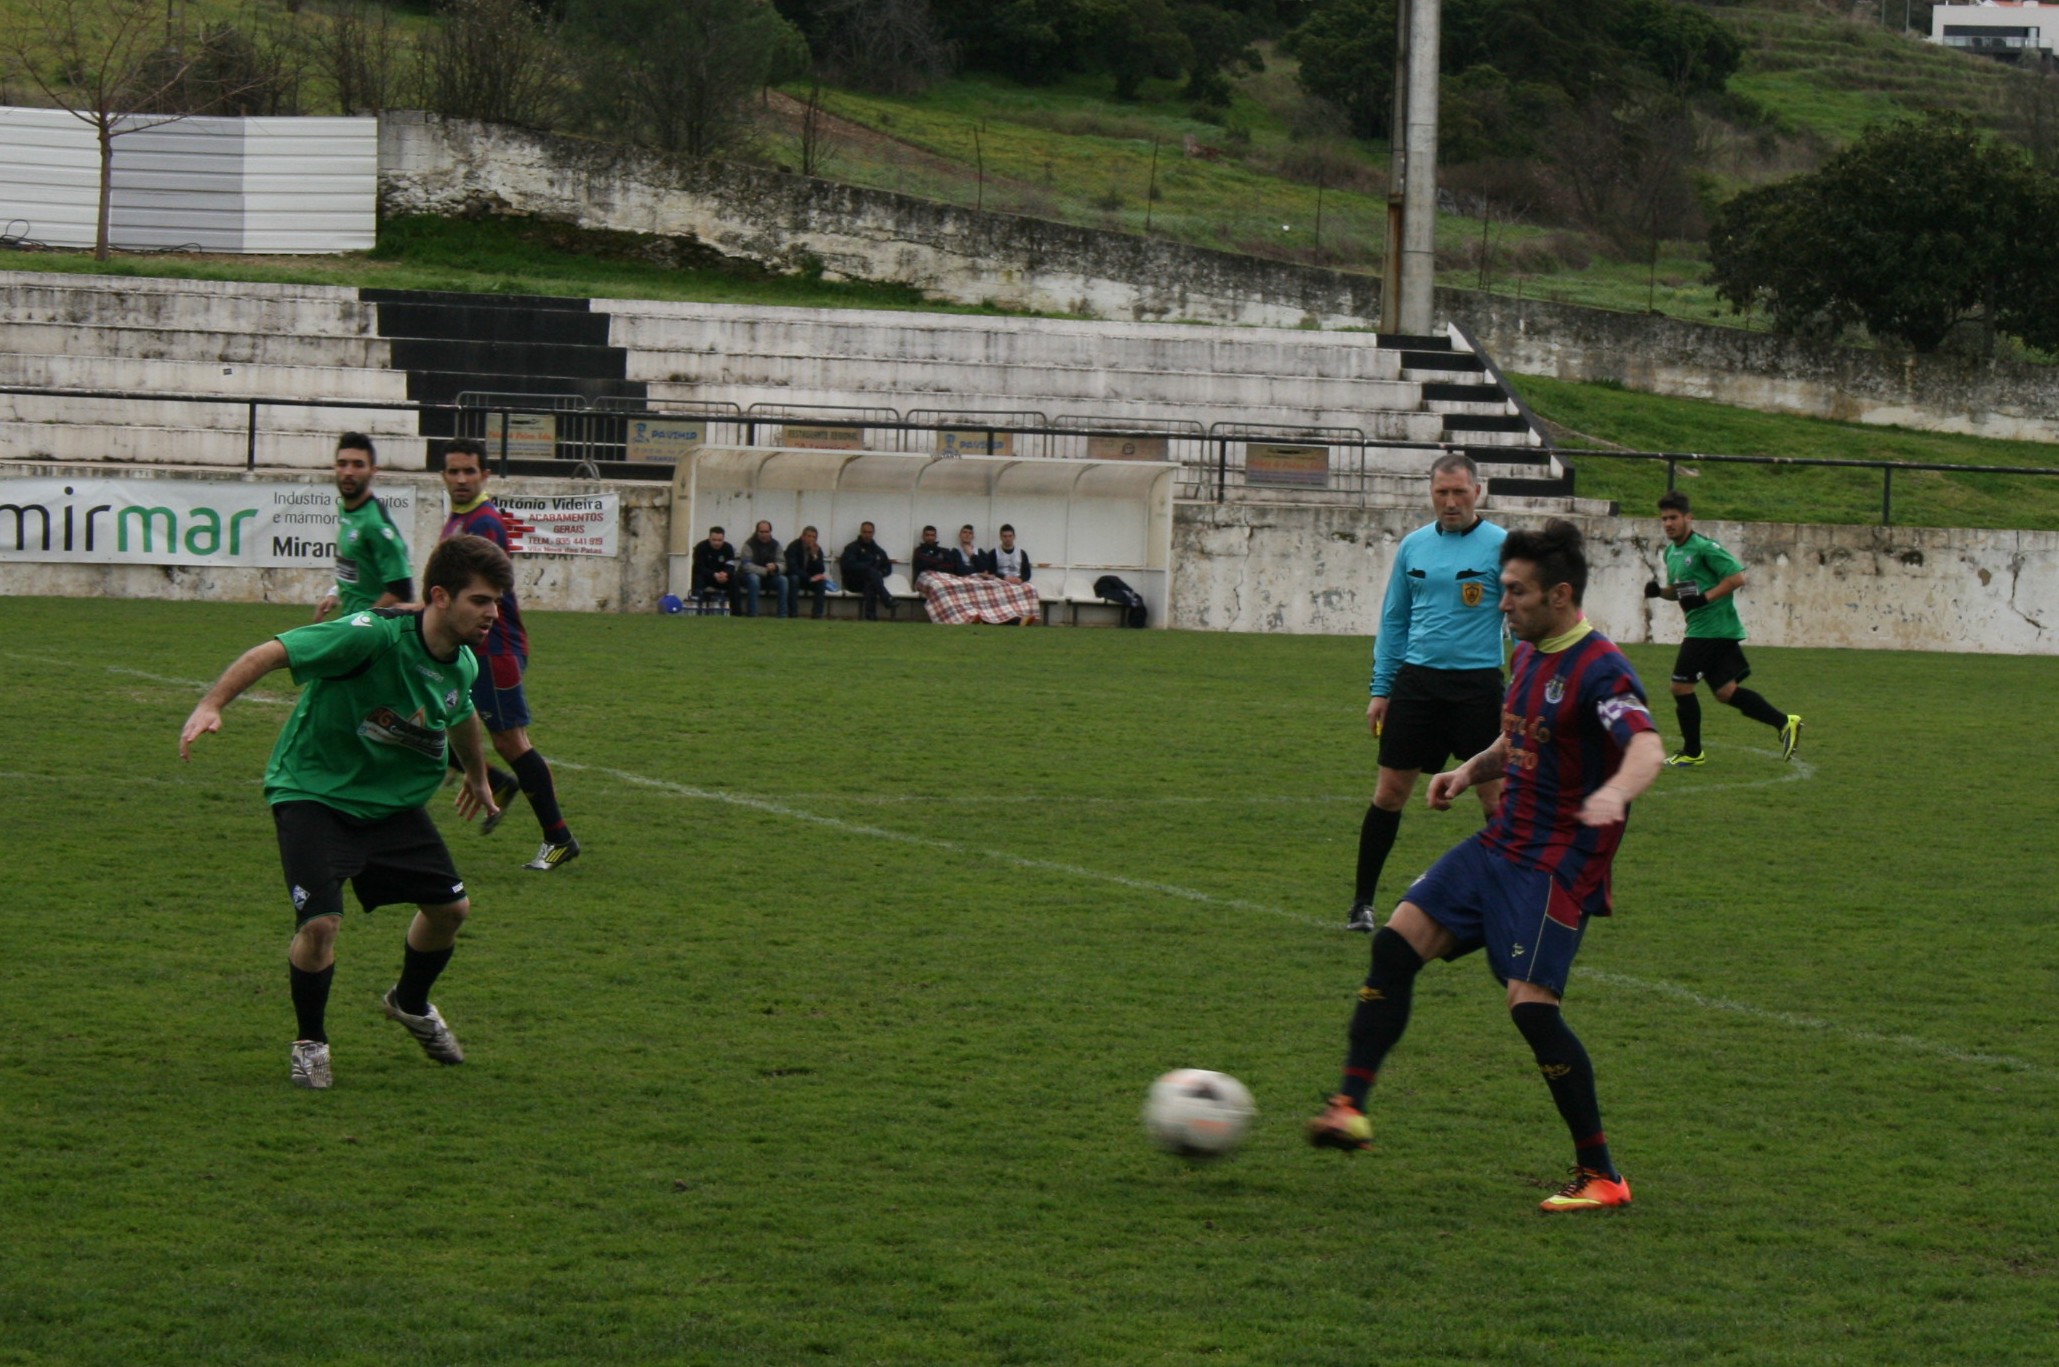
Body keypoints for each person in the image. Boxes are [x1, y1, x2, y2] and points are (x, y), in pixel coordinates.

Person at [1307, 520, 1665, 1215]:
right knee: (1394, 943)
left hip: (1555, 862)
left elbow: (1645, 746)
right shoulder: (1528, 653)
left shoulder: (1601, 668)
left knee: (1531, 1010)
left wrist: (1614, 790)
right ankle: (1349, 1104)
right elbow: (1518, 735)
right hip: (1499, 843)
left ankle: (1601, 1172)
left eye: (1515, 592)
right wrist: (1467, 770)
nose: (1502, 603)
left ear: (1559, 594)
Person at [179, 534, 515, 1091]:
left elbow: (460, 716)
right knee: (320, 924)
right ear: (439, 596)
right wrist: (212, 704)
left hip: (391, 803)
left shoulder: (460, 665)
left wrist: (478, 776)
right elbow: (274, 651)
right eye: (480, 600)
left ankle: (409, 1002)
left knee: (451, 911)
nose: (492, 613)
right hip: (314, 792)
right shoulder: (371, 636)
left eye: (497, 601)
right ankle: (311, 1043)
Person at [1349, 452, 1508, 933]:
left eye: (1460, 492)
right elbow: (1394, 619)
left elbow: (1524, 621)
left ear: (1478, 492)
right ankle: (1362, 904)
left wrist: (1524, 686)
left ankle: (1509, 900)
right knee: (1390, 793)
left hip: (1478, 686)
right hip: (1416, 685)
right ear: (1431, 493)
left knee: (1496, 800)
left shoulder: (1504, 547)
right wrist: (1382, 688)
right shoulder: (1414, 547)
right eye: (1442, 492)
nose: (1451, 501)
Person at [438, 439, 580, 872]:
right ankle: (491, 781)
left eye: (469, 471)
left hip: (492, 648)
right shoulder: (460, 520)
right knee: (420, 717)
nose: (460, 479)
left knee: (510, 741)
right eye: (453, 471)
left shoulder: (484, 523)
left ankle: (558, 837)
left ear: (486, 475)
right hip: (468, 647)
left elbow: (480, 596)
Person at [1646, 492, 1803, 766]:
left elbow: (1737, 577)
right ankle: (1784, 722)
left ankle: (1693, 752)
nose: (1668, 523)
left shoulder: (1705, 548)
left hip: (1712, 630)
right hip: (1704, 628)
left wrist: (1705, 598)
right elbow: (1683, 591)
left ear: (1688, 518)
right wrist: (1660, 592)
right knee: (1725, 692)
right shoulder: (1672, 552)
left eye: (1673, 518)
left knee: (1680, 688)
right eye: (1664, 519)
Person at [314, 432, 413, 622]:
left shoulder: (375, 524)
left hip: (375, 633)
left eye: (358, 465)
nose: (348, 472)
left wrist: (363, 621)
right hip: (352, 624)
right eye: (342, 464)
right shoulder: (346, 508)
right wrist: (334, 593)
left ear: (373, 470)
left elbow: (401, 589)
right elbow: (354, 566)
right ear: (335, 468)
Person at [839, 522, 896, 620]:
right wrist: (867, 568)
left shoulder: (878, 551)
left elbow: (888, 568)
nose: (867, 535)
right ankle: (886, 599)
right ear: (860, 532)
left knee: (870, 583)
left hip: (870, 582)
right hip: (853, 581)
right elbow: (848, 566)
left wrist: (879, 573)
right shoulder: (852, 548)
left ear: (873, 533)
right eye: (864, 532)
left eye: (869, 532)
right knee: (870, 573)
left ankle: (871, 617)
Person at [739, 520, 793, 618]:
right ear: (757, 532)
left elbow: (783, 564)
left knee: (783, 580)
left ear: (770, 532)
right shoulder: (748, 544)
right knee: (754, 579)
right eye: (761, 532)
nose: (764, 534)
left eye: (767, 531)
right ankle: (752, 614)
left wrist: (776, 567)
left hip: (769, 578)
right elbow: (746, 566)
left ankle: (782, 615)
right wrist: (765, 571)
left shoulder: (776, 545)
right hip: (749, 577)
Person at [690, 526, 740, 613]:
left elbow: (731, 566)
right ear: (709, 538)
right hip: (706, 577)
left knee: (734, 581)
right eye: (714, 540)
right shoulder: (701, 547)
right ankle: (698, 610)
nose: (716, 543)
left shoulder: (728, 548)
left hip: (722, 578)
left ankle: (736, 613)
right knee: (698, 579)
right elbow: (698, 567)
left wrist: (725, 574)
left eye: (719, 540)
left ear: (723, 539)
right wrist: (713, 574)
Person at [786, 525, 832, 618]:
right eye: (809, 536)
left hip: (810, 579)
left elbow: (820, 570)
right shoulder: (793, 547)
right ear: (802, 537)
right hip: (797, 577)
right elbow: (792, 568)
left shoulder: (817, 549)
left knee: (821, 582)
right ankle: (793, 613)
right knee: (794, 579)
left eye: (814, 537)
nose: (811, 539)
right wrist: (809, 578)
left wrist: (814, 555)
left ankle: (817, 614)